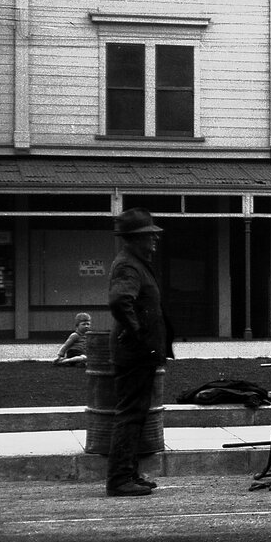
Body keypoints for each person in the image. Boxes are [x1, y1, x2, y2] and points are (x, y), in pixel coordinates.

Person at [104, 208, 174, 497]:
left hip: (139, 352)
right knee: (130, 414)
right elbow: (121, 301)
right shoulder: (129, 266)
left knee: (136, 413)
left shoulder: (135, 262)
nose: (155, 240)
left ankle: (128, 473)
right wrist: (137, 334)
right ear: (134, 239)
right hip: (135, 353)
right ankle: (120, 479)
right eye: (149, 236)